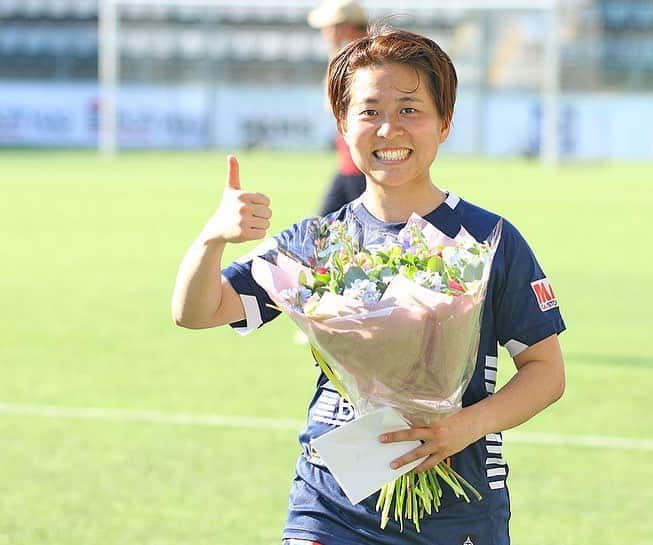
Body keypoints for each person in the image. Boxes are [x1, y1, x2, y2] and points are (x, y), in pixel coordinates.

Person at [172, 26, 566, 545]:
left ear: (444, 123)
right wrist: (212, 240)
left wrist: (463, 427)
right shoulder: (317, 241)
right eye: (369, 111)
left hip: (459, 509)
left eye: (409, 109)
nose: (388, 129)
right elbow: (197, 311)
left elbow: (546, 372)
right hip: (331, 504)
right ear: (342, 123)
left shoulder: (490, 239)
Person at [308, 0, 369, 215]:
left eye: (329, 28)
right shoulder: (357, 57)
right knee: (323, 231)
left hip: (360, 168)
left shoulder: (361, 62)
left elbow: (331, 104)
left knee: (327, 232)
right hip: (350, 165)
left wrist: (334, 51)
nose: (325, 34)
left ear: (345, 28)